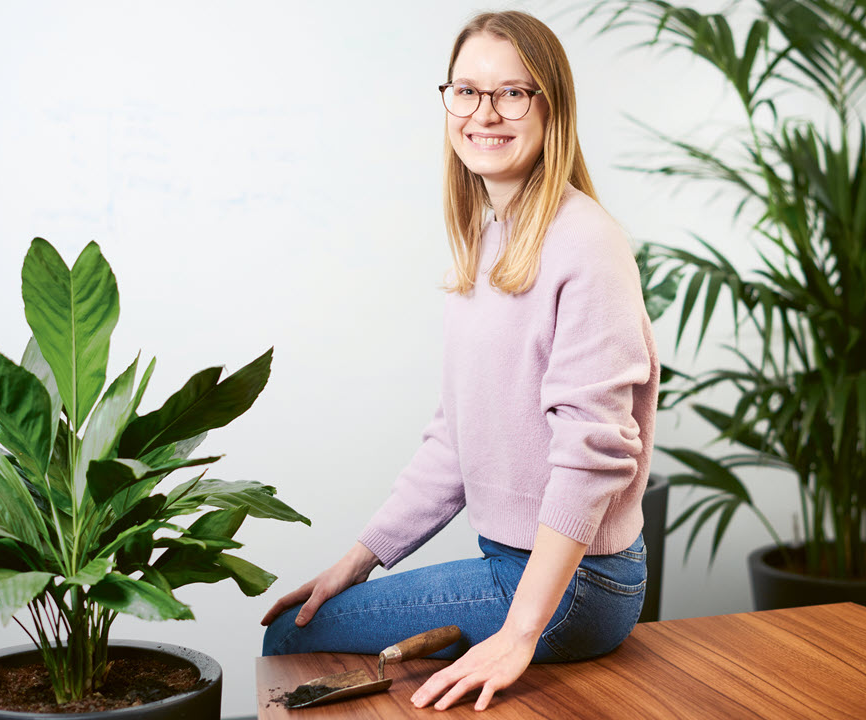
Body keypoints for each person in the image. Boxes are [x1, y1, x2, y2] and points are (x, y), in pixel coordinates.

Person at [261, 10, 658, 712]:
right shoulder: (489, 244)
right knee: (311, 619)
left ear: (551, 106)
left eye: (512, 92)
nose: (485, 113)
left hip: (575, 584)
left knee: (294, 644)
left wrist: (520, 632)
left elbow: (594, 454)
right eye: (467, 91)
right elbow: (456, 438)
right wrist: (356, 562)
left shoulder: (588, 245)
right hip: (520, 567)